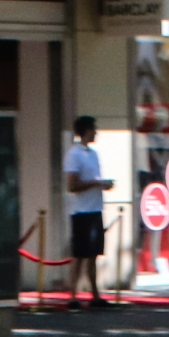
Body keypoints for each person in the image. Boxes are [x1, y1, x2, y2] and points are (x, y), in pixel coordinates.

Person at [62, 116, 114, 308]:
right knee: (79, 254)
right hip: (80, 211)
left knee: (93, 254)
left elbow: (93, 179)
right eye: (93, 129)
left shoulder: (93, 154)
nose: (96, 132)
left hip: (95, 209)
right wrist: (96, 183)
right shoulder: (74, 154)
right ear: (85, 131)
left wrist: (102, 184)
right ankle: (73, 295)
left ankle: (95, 294)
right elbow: (72, 185)